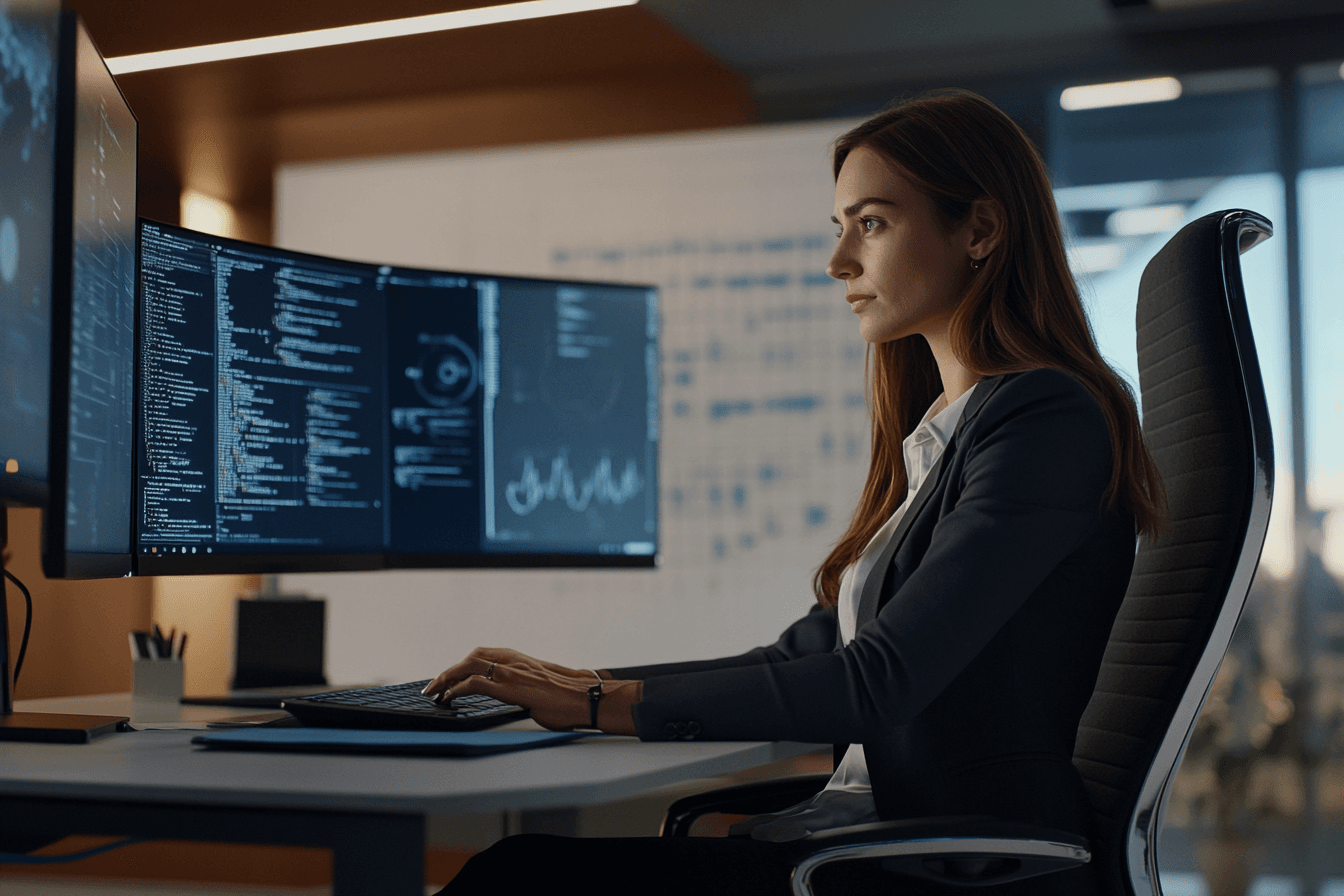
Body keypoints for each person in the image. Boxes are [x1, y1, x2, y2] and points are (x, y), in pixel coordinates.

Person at [425, 89, 1165, 895]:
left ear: (980, 230)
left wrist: (603, 703)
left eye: (872, 223)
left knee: (517, 875)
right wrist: (577, 681)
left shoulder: (1046, 418)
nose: (838, 260)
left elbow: (877, 682)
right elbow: (808, 653)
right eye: (840, 226)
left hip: (956, 866)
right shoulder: (945, 433)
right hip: (883, 840)